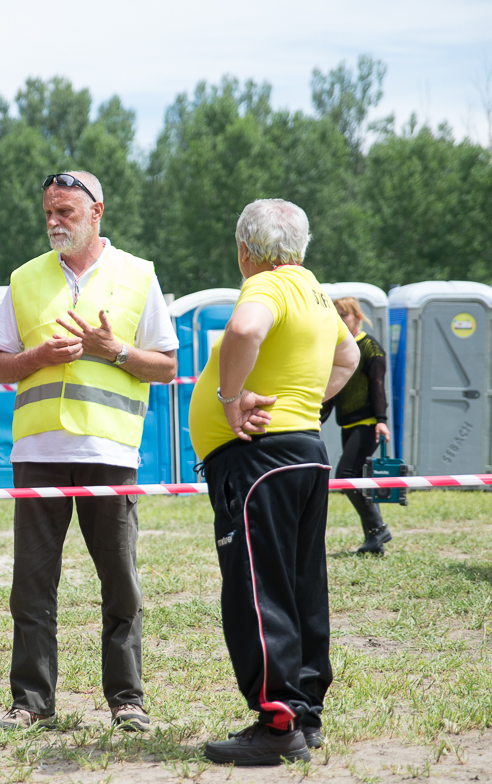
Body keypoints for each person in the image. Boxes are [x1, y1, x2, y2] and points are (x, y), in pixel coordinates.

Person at [0, 171, 179, 733]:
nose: (54, 222)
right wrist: (36, 357)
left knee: (119, 580)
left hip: (110, 450)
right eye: (48, 212)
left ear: (98, 212)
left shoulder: (138, 275)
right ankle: (30, 702)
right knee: (32, 583)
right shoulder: (23, 279)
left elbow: (166, 366)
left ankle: (127, 700)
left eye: (65, 212)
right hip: (38, 451)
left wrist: (116, 351)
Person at [188, 199, 359, 766]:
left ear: (244, 250)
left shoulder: (268, 286)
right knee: (301, 584)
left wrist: (231, 399)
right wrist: (304, 401)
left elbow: (243, 328)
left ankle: (277, 720)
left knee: (258, 589)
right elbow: (348, 356)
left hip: (260, 460)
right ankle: (303, 713)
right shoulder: (312, 288)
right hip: (305, 451)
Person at [320, 297, 393, 554]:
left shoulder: (369, 347)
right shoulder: (338, 350)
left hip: (368, 424)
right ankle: (374, 539)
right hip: (348, 425)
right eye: (335, 316)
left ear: (357, 318)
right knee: (357, 479)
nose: (339, 321)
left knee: (346, 477)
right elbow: (332, 393)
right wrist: (314, 420)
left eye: (344, 315)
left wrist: (381, 422)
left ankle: (378, 529)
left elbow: (378, 388)